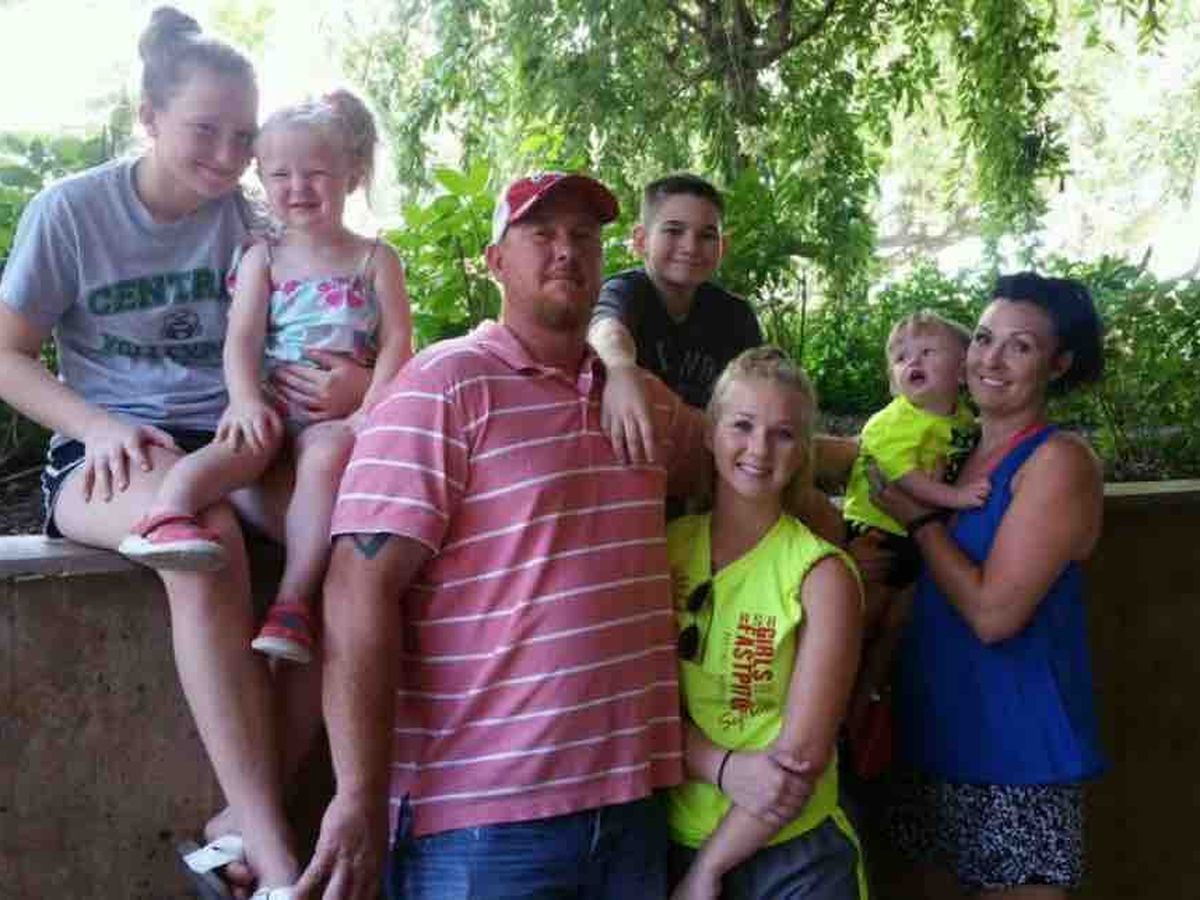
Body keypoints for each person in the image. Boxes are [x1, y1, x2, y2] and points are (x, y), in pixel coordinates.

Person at [0, 9, 368, 897]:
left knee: (345, 553)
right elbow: (6, 354)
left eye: (244, 135)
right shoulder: (72, 212)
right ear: (149, 116)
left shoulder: (252, 222)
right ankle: (274, 853)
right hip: (112, 453)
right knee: (203, 541)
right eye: (206, 129)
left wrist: (353, 384)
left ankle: (237, 821)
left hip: (242, 441)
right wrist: (95, 425)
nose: (229, 154)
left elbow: (324, 318)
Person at [293, 171, 712, 900]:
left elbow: (749, 460)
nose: (566, 250)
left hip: (634, 807)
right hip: (481, 824)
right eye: (541, 234)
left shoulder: (642, 402)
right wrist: (357, 793)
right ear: (494, 261)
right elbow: (357, 590)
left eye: (584, 236)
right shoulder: (443, 386)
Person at [116, 89, 413, 666]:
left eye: (316, 173)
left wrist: (368, 410)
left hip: (339, 420)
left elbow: (399, 341)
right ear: (261, 177)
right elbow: (243, 339)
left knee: (327, 455)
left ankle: (292, 604)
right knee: (242, 445)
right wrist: (245, 400)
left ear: (351, 176)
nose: (298, 187)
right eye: (281, 174)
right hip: (273, 403)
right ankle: (164, 515)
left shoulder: (377, 260)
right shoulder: (263, 258)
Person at [866, 272, 1108, 898]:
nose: (990, 359)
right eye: (982, 338)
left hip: (1017, 757)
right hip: (933, 737)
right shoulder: (955, 453)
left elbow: (994, 615)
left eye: (1019, 346)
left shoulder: (1058, 461)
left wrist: (919, 521)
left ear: (1059, 365)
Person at [666, 347, 866, 900]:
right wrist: (723, 767)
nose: (759, 449)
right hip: (671, 834)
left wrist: (706, 871)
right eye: (743, 425)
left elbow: (801, 756)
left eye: (783, 434)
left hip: (796, 855)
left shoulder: (821, 574)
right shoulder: (667, 550)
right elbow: (641, 708)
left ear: (803, 452)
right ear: (711, 432)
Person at [589, 173, 762, 465]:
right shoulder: (627, 291)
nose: (690, 246)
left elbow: (760, 395)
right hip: (635, 458)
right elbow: (606, 329)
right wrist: (619, 369)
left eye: (707, 236)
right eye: (674, 231)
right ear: (641, 241)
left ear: (723, 246)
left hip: (713, 460)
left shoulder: (735, 316)